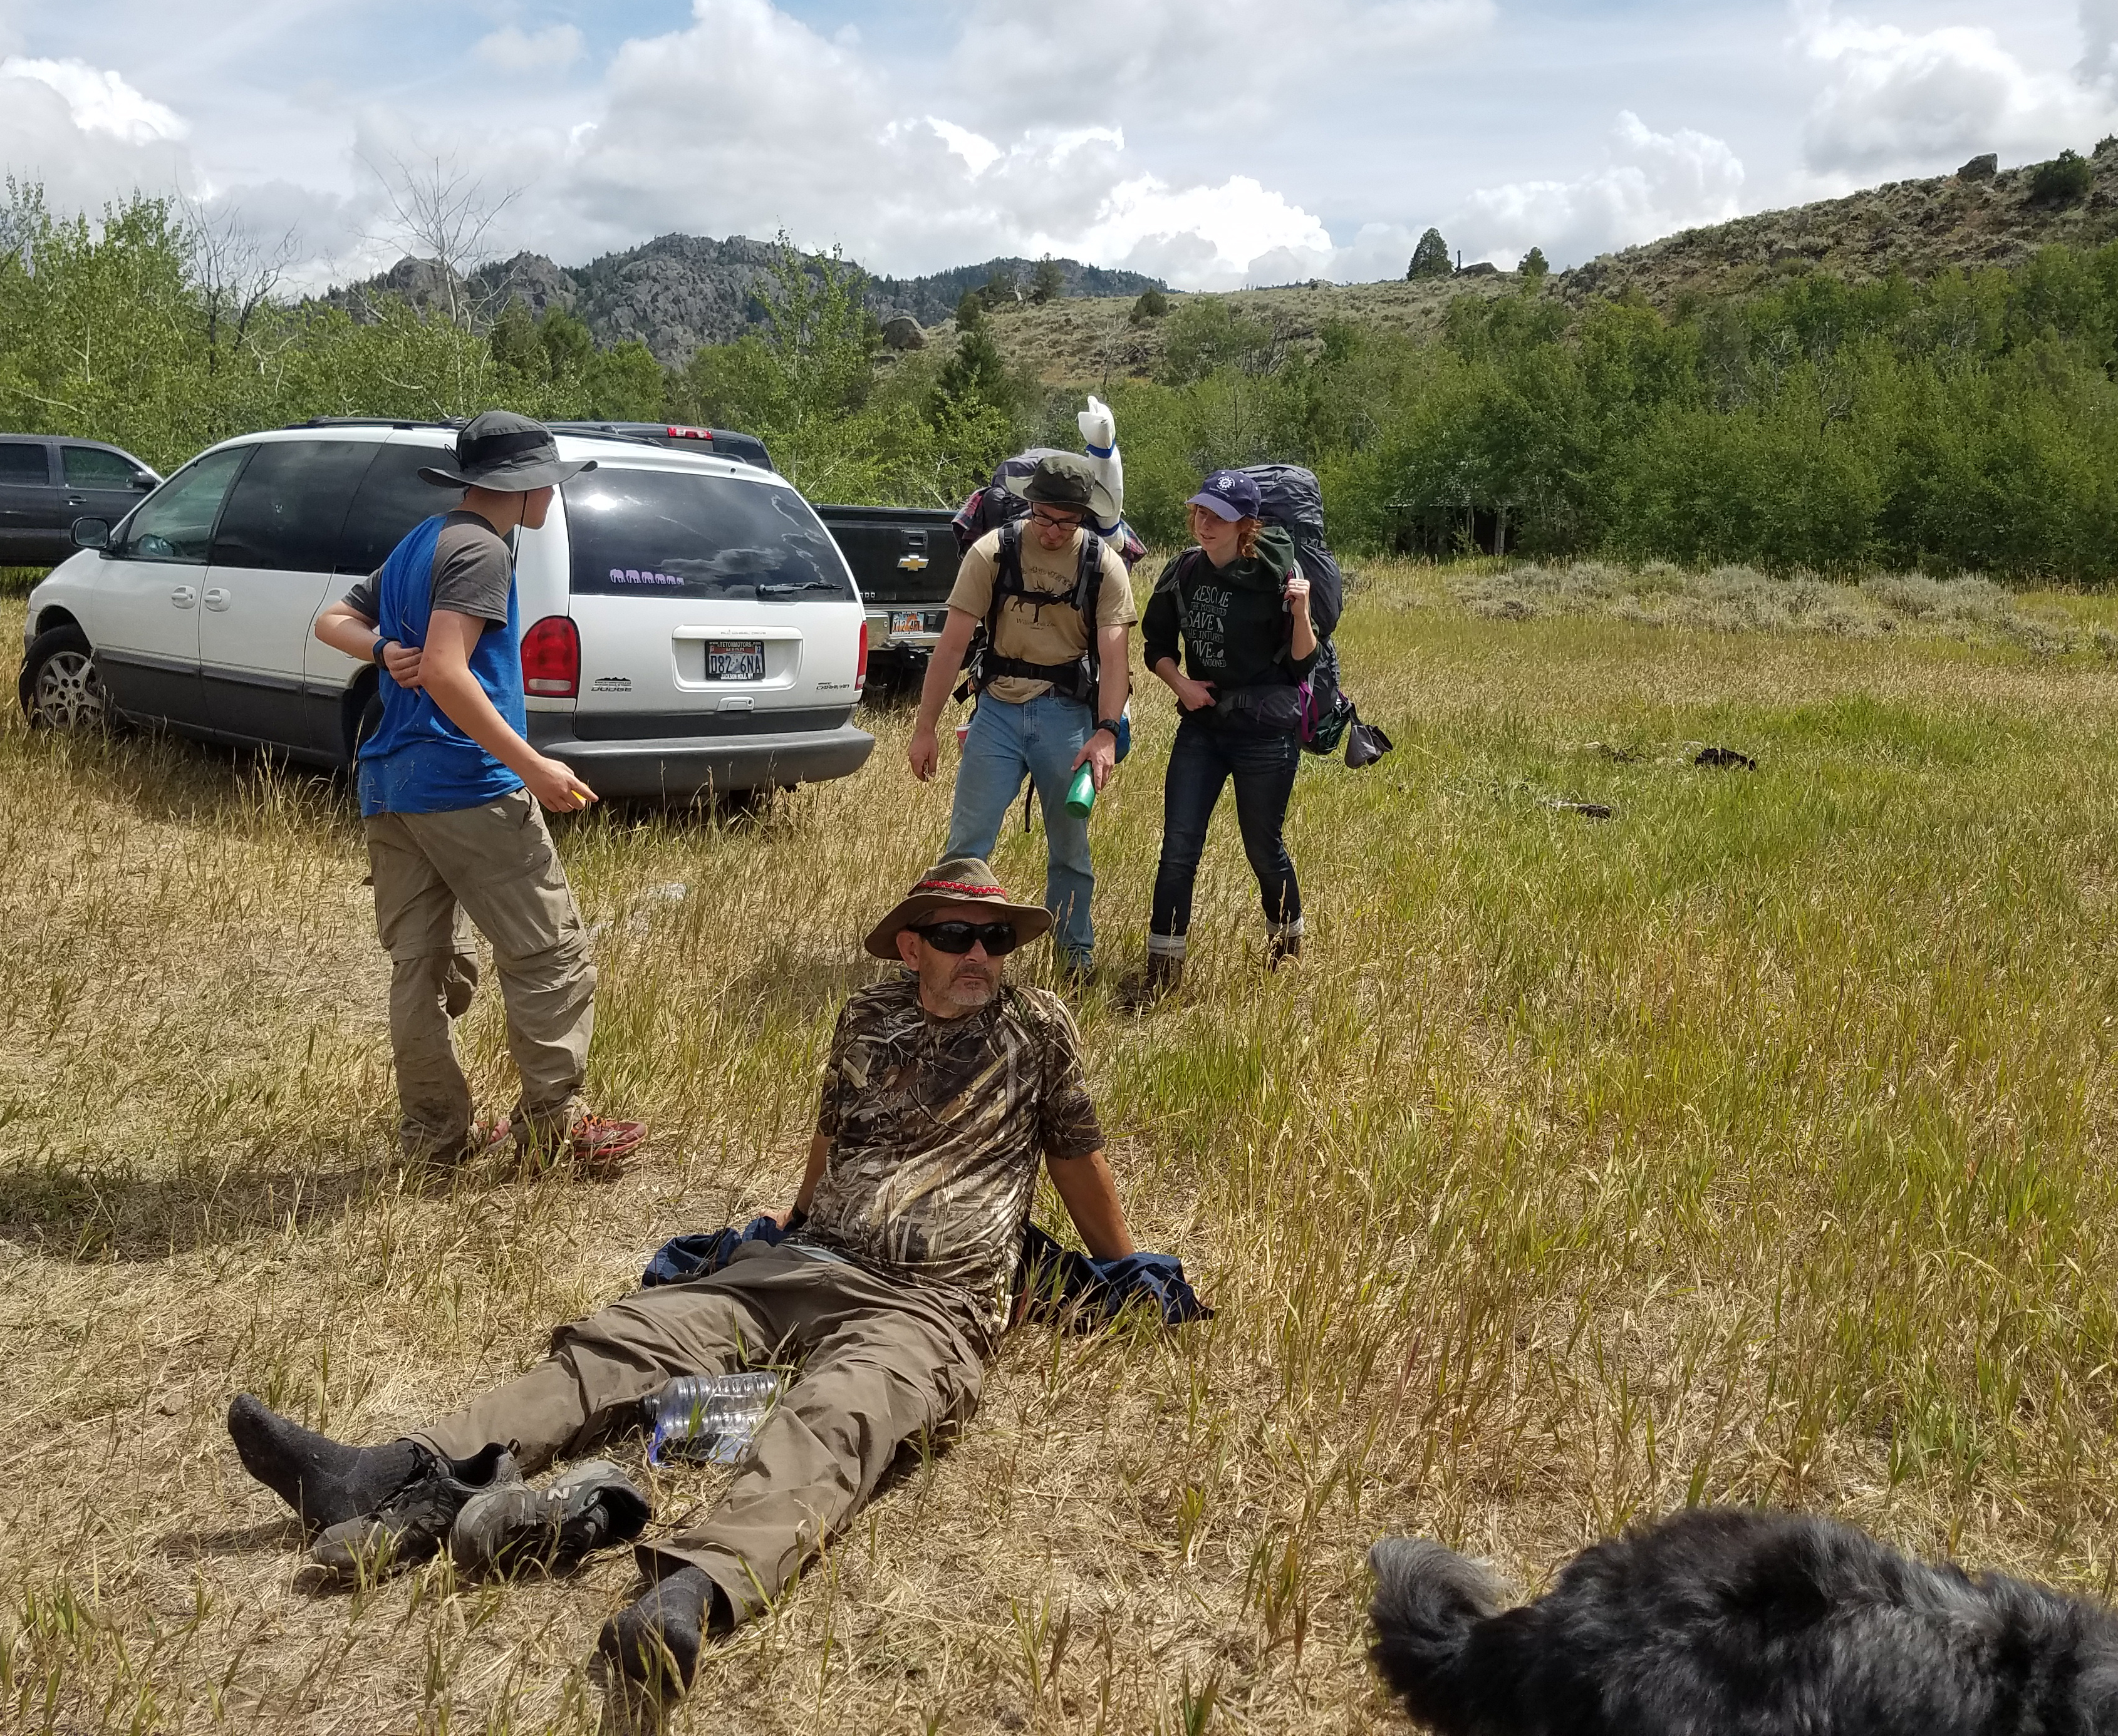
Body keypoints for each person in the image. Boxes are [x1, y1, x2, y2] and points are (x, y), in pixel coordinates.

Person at [224, 856, 1139, 1700]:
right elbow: (834, 1130)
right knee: (625, 1338)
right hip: (812, 1257)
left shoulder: (1036, 1030)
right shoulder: (867, 1016)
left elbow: (1077, 1156)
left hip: (930, 1302)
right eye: (956, 935)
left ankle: (688, 1598)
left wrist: (1122, 1265)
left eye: (996, 939)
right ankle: (399, 1475)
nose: (981, 953)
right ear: (912, 946)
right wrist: (794, 1211)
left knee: (840, 1415)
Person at [309, 410, 644, 1170]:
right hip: (466, 783)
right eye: (549, 485)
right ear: (522, 488)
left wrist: (384, 647)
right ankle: (552, 1129)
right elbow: (449, 671)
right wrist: (535, 766)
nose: (554, 498)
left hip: (390, 783)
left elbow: (332, 621)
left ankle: (432, 1138)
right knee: (549, 953)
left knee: (418, 967)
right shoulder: (481, 553)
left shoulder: (422, 541)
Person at [908, 458, 1134, 980]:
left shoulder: (1103, 566)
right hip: (998, 715)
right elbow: (952, 646)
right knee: (967, 845)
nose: (1052, 532)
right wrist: (925, 729)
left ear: (1085, 516)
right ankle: (948, 952)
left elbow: (1116, 658)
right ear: (1028, 504)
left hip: (1068, 718)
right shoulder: (993, 553)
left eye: (1066, 522)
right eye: (1042, 517)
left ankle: (1074, 960)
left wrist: (1105, 732)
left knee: (1071, 849)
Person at [1138, 469, 1318, 996]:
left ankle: (1286, 960)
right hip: (1202, 727)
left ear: (1246, 525)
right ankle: (1162, 978)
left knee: (1264, 849)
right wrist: (1183, 685)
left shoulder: (1277, 574)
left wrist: (1302, 611)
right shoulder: (1184, 571)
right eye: (1198, 513)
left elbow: (1304, 663)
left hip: (1265, 734)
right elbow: (1156, 646)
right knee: (1178, 850)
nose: (1203, 523)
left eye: (1216, 516)